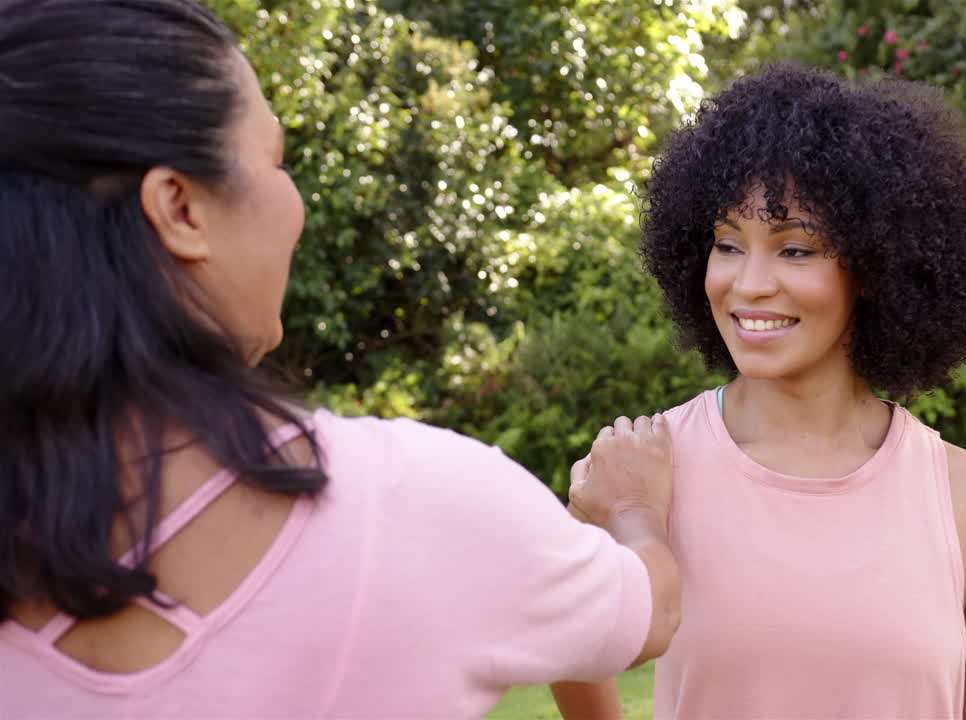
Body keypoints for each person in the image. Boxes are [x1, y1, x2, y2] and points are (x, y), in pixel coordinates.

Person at [0, 1, 678, 717]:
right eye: (275, 161)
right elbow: (650, 610)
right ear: (179, 209)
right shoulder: (416, 505)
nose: (293, 200)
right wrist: (634, 513)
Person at [554, 65, 966, 719]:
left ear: (873, 265)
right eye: (728, 244)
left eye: (795, 250)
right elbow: (564, 641)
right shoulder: (642, 467)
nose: (748, 284)